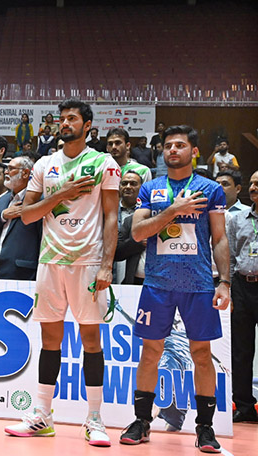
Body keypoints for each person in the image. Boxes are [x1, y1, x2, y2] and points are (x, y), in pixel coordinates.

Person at [6, 98, 120, 446]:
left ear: (88, 125)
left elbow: (112, 217)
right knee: (50, 340)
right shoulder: (45, 164)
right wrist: (65, 193)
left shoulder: (105, 163)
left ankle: (95, 419)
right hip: (50, 261)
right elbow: (27, 214)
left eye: (72, 118)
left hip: (87, 262)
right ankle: (42, 415)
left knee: (91, 341)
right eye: (62, 119)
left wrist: (106, 265)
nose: (64, 123)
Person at [121, 125, 230, 453]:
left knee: (200, 354)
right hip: (157, 284)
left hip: (198, 285)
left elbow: (220, 238)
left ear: (194, 151)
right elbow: (138, 233)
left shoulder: (211, 189)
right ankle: (142, 422)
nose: (172, 150)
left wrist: (223, 281)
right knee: (151, 352)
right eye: (168, 145)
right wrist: (172, 211)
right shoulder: (151, 188)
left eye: (180, 145)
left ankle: (205, 428)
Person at [226, 169, 258, 423]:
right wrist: (228, 288)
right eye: (253, 183)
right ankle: (244, 404)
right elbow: (230, 257)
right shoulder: (238, 219)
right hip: (242, 287)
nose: (254, 188)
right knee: (241, 350)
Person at [0, 156, 40, 280]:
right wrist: (3, 215)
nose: (6, 172)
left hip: (23, 270)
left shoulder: (37, 200)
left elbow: (41, 237)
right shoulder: (4, 199)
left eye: (11, 169)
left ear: (25, 173)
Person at [114, 170, 146, 285]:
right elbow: (115, 251)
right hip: (113, 273)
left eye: (133, 184)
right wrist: (137, 241)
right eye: (124, 183)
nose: (128, 187)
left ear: (142, 187)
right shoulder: (108, 211)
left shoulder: (149, 213)